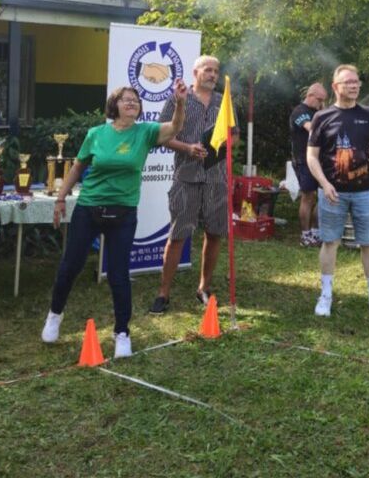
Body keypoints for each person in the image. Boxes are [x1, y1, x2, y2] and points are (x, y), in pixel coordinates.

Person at [42, 80, 188, 354]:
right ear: (115, 106)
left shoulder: (145, 132)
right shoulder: (96, 133)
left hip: (123, 213)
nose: (131, 103)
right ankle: (54, 315)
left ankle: (122, 333)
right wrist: (61, 198)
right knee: (70, 267)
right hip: (89, 208)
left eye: (135, 100)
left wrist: (180, 102)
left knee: (119, 274)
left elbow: (175, 127)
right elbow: (78, 167)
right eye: (126, 99)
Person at [151, 56, 236, 313]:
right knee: (178, 235)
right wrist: (188, 148)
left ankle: (203, 288)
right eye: (208, 70)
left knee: (214, 233)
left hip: (216, 179)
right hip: (186, 177)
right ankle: (163, 293)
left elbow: (235, 136)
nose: (213, 75)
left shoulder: (224, 101)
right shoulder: (178, 99)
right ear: (195, 72)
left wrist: (221, 147)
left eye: (216, 71)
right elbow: (161, 136)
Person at [307, 64, 369, 317]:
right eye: (348, 82)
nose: (354, 86)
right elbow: (312, 156)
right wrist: (324, 184)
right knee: (330, 242)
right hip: (333, 192)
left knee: (368, 243)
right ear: (335, 87)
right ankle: (326, 295)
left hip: (365, 191)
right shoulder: (322, 117)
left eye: (357, 82)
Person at [289, 83, 328, 246]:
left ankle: (316, 232)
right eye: (319, 100)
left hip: (321, 160)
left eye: (323, 100)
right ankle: (305, 235)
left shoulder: (317, 111)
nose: (321, 103)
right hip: (304, 160)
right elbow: (310, 128)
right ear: (310, 95)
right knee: (308, 196)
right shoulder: (299, 111)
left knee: (325, 194)